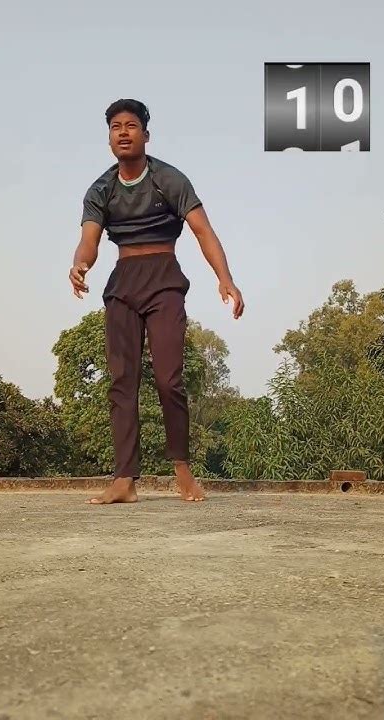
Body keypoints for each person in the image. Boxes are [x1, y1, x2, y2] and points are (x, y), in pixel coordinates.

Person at [69, 99, 245, 505]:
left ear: (146, 135)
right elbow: (89, 240)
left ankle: (182, 470)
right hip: (123, 283)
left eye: (131, 125)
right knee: (122, 380)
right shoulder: (101, 189)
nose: (123, 132)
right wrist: (80, 264)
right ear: (109, 138)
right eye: (116, 127)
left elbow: (203, 231)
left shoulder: (169, 179)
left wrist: (225, 278)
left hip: (164, 279)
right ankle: (124, 480)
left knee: (169, 378)